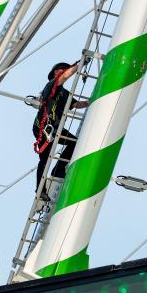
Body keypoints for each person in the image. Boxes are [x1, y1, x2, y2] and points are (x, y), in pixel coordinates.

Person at [33, 61, 88, 200]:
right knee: (44, 158)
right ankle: (41, 190)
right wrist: (78, 66)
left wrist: (91, 102)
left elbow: (75, 104)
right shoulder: (51, 85)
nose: (62, 71)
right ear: (54, 73)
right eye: (59, 70)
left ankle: (58, 170)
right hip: (43, 128)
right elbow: (64, 77)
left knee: (73, 143)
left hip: (55, 129)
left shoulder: (64, 93)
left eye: (63, 69)